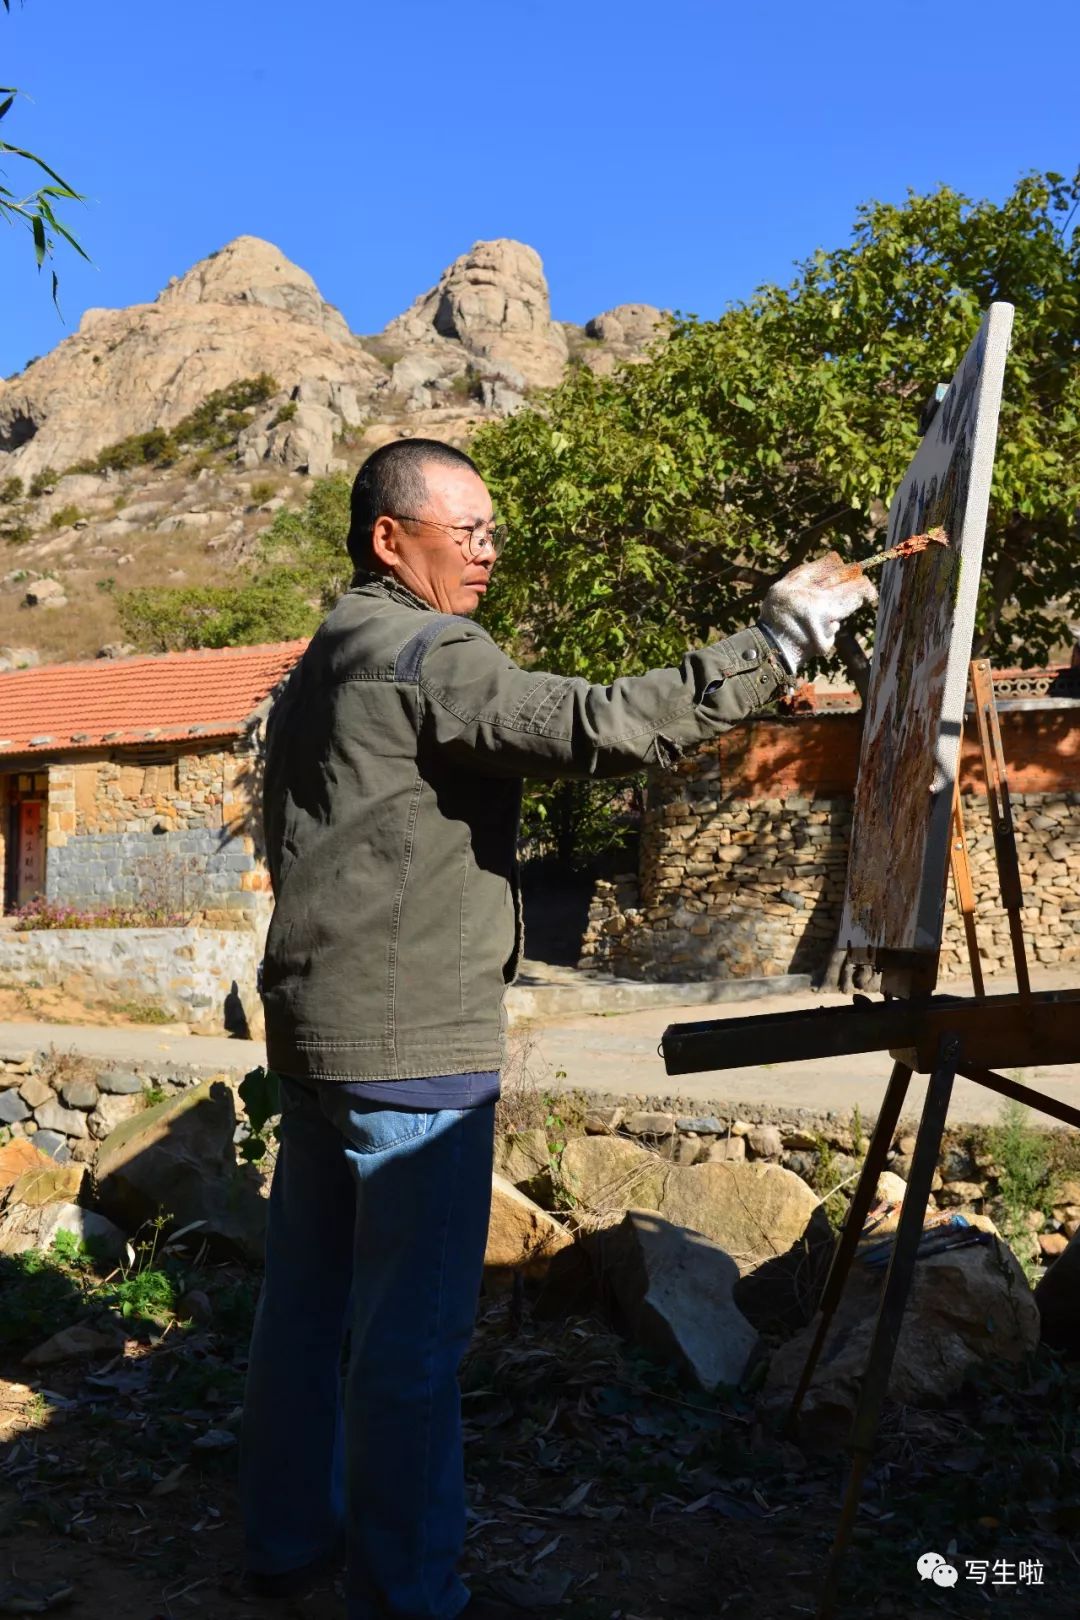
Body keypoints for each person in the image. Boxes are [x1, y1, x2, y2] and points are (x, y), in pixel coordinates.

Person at [240, 439, 875, 1619]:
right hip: (411, 1046)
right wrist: (774, 643)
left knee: (307, 1308)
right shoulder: (432, 649)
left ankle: (285, 1540)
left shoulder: (330, 651)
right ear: (392, 538)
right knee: (411, 1348)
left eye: (492, 531)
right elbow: (593, 725)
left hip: (319, 1032)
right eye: (465, 530)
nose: (487, 552)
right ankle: (409, 1595)